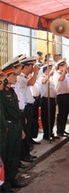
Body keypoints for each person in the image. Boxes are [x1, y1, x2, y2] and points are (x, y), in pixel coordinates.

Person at [0, 59, 28, 191]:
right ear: (7, 77)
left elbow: (16, 111)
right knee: (7, 157)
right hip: (7, 128)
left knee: (15, 155)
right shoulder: (2, 93)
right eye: (14, 75)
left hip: (16, 126)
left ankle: (12, 179)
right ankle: (5, 185)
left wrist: (21, 128)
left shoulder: (11, 91)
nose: (17, 77)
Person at [39, 64, 58, 141]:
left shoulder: (51, 79)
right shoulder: (42, 78)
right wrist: (49, 75)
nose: (51, 71)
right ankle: (46, 134)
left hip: (52, 100)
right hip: (46, 100)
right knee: (46, 117)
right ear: (45, 71)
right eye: (49, 70)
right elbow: (43, 81)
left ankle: (51, 133)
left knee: (52, 117)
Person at [53, 59, 69, 137]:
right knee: (61, 113)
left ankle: (63, 129)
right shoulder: (57, 74)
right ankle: (59, 130)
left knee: (65, 113)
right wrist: (64, 71)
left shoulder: (63, 74)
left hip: (66, 95)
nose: (65, 68)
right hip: (61, 95)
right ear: (60, 66)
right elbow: (61, 79)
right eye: (64, 66)